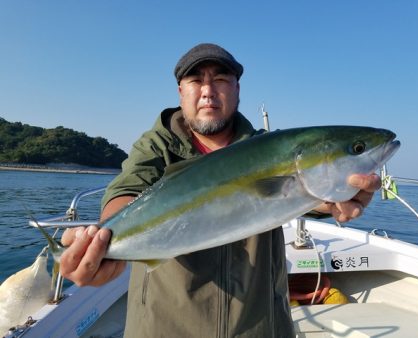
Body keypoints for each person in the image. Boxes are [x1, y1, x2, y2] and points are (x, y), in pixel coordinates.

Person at [60, 43, 381, 337]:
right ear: (180, 91)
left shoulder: (268, 148)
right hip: (165, 327)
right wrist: (104, 243)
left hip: (260, 326)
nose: (208, 91)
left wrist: (336, 200)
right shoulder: (155, 146)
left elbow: (301, 196)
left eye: (221, 79)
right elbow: (127, 188)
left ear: (237, 88)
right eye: (196, 80)